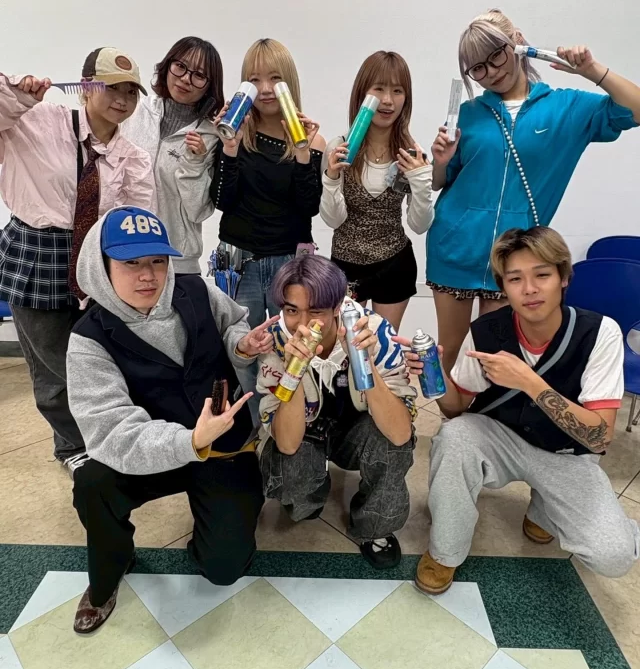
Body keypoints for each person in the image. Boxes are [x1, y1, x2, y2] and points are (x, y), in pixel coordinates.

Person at [400, 226, 640, 594]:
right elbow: (455, 411)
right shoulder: (487, 331)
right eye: (515, 279)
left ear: (563, 278)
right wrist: (436, 375)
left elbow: (600, 436)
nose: (529, 289)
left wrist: (529, 381)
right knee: (455, 437)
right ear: (504, 287)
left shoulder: (598, 333)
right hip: (502, 439)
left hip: (567, 453)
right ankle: (445, 551)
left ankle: (545, 509)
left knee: (614, 556)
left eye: (542, 275)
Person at [67, 206, 273, 633]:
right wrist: (189, 441)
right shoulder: (88, 340)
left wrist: (243, 345)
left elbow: (233, 323)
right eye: (131, 263)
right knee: (93, 483)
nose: (148, 275)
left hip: (222, 447)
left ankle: (211, 527)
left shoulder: (195, 290)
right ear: (101, 266)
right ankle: (110, 570)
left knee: (224, 568)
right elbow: (111, 431)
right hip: (155, 453)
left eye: (157, 261)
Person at [426, 8, 640, 375]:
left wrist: (591, 70)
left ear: (518, 43)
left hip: (514, 258)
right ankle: (446, 413)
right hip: (453, 247)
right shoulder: (469, 112)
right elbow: (440, 182)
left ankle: (489, 414)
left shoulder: (567, 107)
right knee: (449, 354)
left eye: (496, 56)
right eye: (478, 68)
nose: (491, 72)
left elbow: (635, 110)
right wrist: (440, 161)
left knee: (496, 360)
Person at [0, 49, 155, 472]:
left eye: (131, 92)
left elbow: (138, 220)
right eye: (111, 87)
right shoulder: (38, 119)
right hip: (38, 252)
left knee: (96, 358)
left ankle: (104, 439)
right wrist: (18, 95)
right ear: (86, 86)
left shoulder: (133, 157)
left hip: (96, 260)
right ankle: (75, 448)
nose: (122, 99)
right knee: (53, 364)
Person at [256, 254, 417, 569]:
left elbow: (400, 434)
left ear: (336, 307)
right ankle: (311, 494)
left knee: (391, 447)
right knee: (291, 474)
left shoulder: (373, 331)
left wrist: (365, 362)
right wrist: (293, 370)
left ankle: (374, 526)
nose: (303, 324)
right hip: (306, 432)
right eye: (292, 310)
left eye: (316, 310)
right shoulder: (273, 342)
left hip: (359, 429)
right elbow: (286, 443)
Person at [212, 37, 325, 329]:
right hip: (238, 262)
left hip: (290, 264)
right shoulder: (235, 132)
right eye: (254, 80)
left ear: (289, 83)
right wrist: (229, 148)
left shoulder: (312, 140)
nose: (264, 89)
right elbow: (222, 201)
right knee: (239, 346)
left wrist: (302, 153)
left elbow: (309, 207)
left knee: (292, 345)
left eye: (275, 79)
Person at [320, 51, 433, 332]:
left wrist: (420, 178)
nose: (388, 100)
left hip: (395, 263)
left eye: (397, 91)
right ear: (362, 94)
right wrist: (332, 177)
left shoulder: (411, 154)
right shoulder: (339, 148)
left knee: (385, 347)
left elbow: (419, 225)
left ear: (406, 98)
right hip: (346, 266)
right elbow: (333, 220)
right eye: (379, 89)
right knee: (347, 347)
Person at [122, 36, 223, 274]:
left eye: (199, 75)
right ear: (168, 66)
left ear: (209, 86)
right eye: (180, 66)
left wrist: (195, 163)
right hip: (124, 252)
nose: (186, 79)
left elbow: (199, 211)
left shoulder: (211, 136)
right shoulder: (136, 110)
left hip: (177, 263)